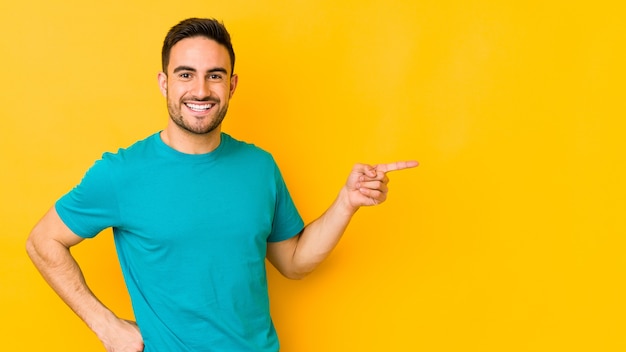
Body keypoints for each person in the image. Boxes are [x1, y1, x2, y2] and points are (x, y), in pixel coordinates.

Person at [26, 17, 418, 352]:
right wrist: (105, 324)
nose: (200, 90)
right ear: (164, 83)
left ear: (231, 85)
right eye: (186, 74)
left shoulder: (259, 166)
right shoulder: (121, 174)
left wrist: (346, 202)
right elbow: (42, 240)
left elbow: (295, 263)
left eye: (214, 76)